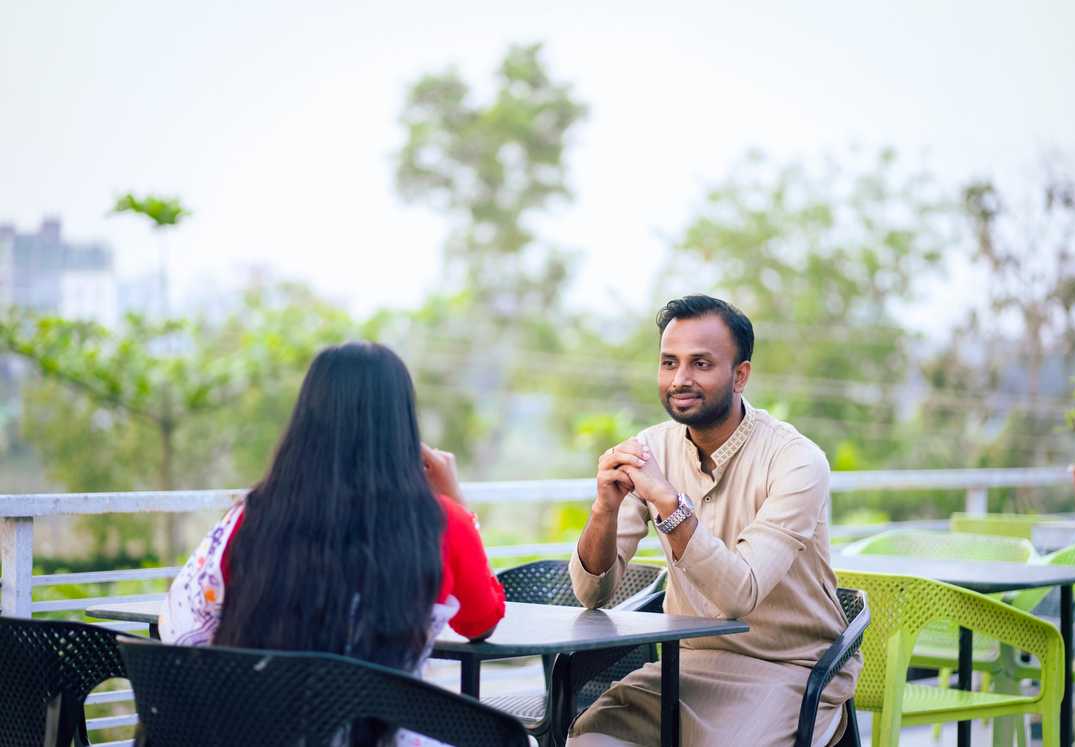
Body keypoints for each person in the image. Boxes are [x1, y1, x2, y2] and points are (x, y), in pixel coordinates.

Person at [159, 341, 506, 746]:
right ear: (403, 427)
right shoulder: (443, 523)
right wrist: (458, 504)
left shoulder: (250, 516)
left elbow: (179, 626)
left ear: (306, 420)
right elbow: (481, 620)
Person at [567, 295, 860, 747]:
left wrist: (667, 500)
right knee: (589, 739)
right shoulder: (650, 449)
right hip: (682, 665)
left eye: (700, 364)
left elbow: (738, 594)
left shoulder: (797, 461)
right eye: (669, 363)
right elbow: (592, 595)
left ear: (740, 375)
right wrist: (604, 508)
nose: (680, 379)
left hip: (787, 669)